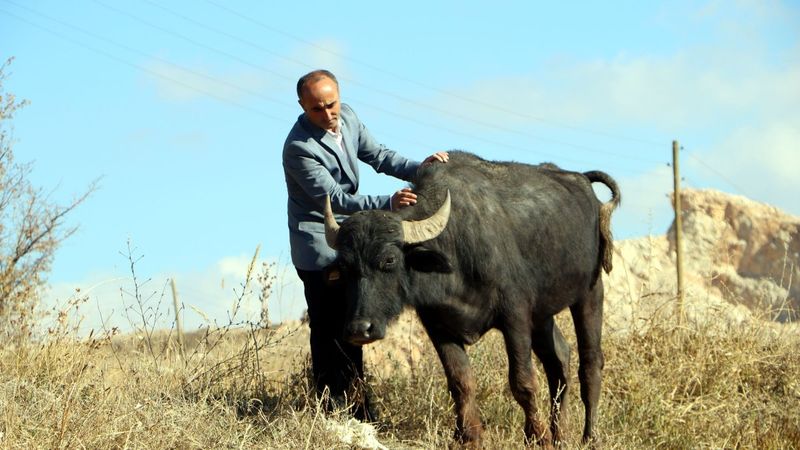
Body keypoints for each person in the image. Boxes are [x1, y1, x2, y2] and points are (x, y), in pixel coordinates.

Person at [282, 69, 447, 421]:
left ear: (339, 97)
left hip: (354, 240)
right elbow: (335, 199)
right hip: (320, 241)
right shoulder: (299, 147)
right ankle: (330, 408)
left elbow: (381, 156)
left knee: (353, 320)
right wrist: (387, 204)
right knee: (328, 327)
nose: (327, 114)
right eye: (316, 109)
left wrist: (423, 170)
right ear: (301, 107)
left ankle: (357, 408)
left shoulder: (350, 118)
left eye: (331, 105)